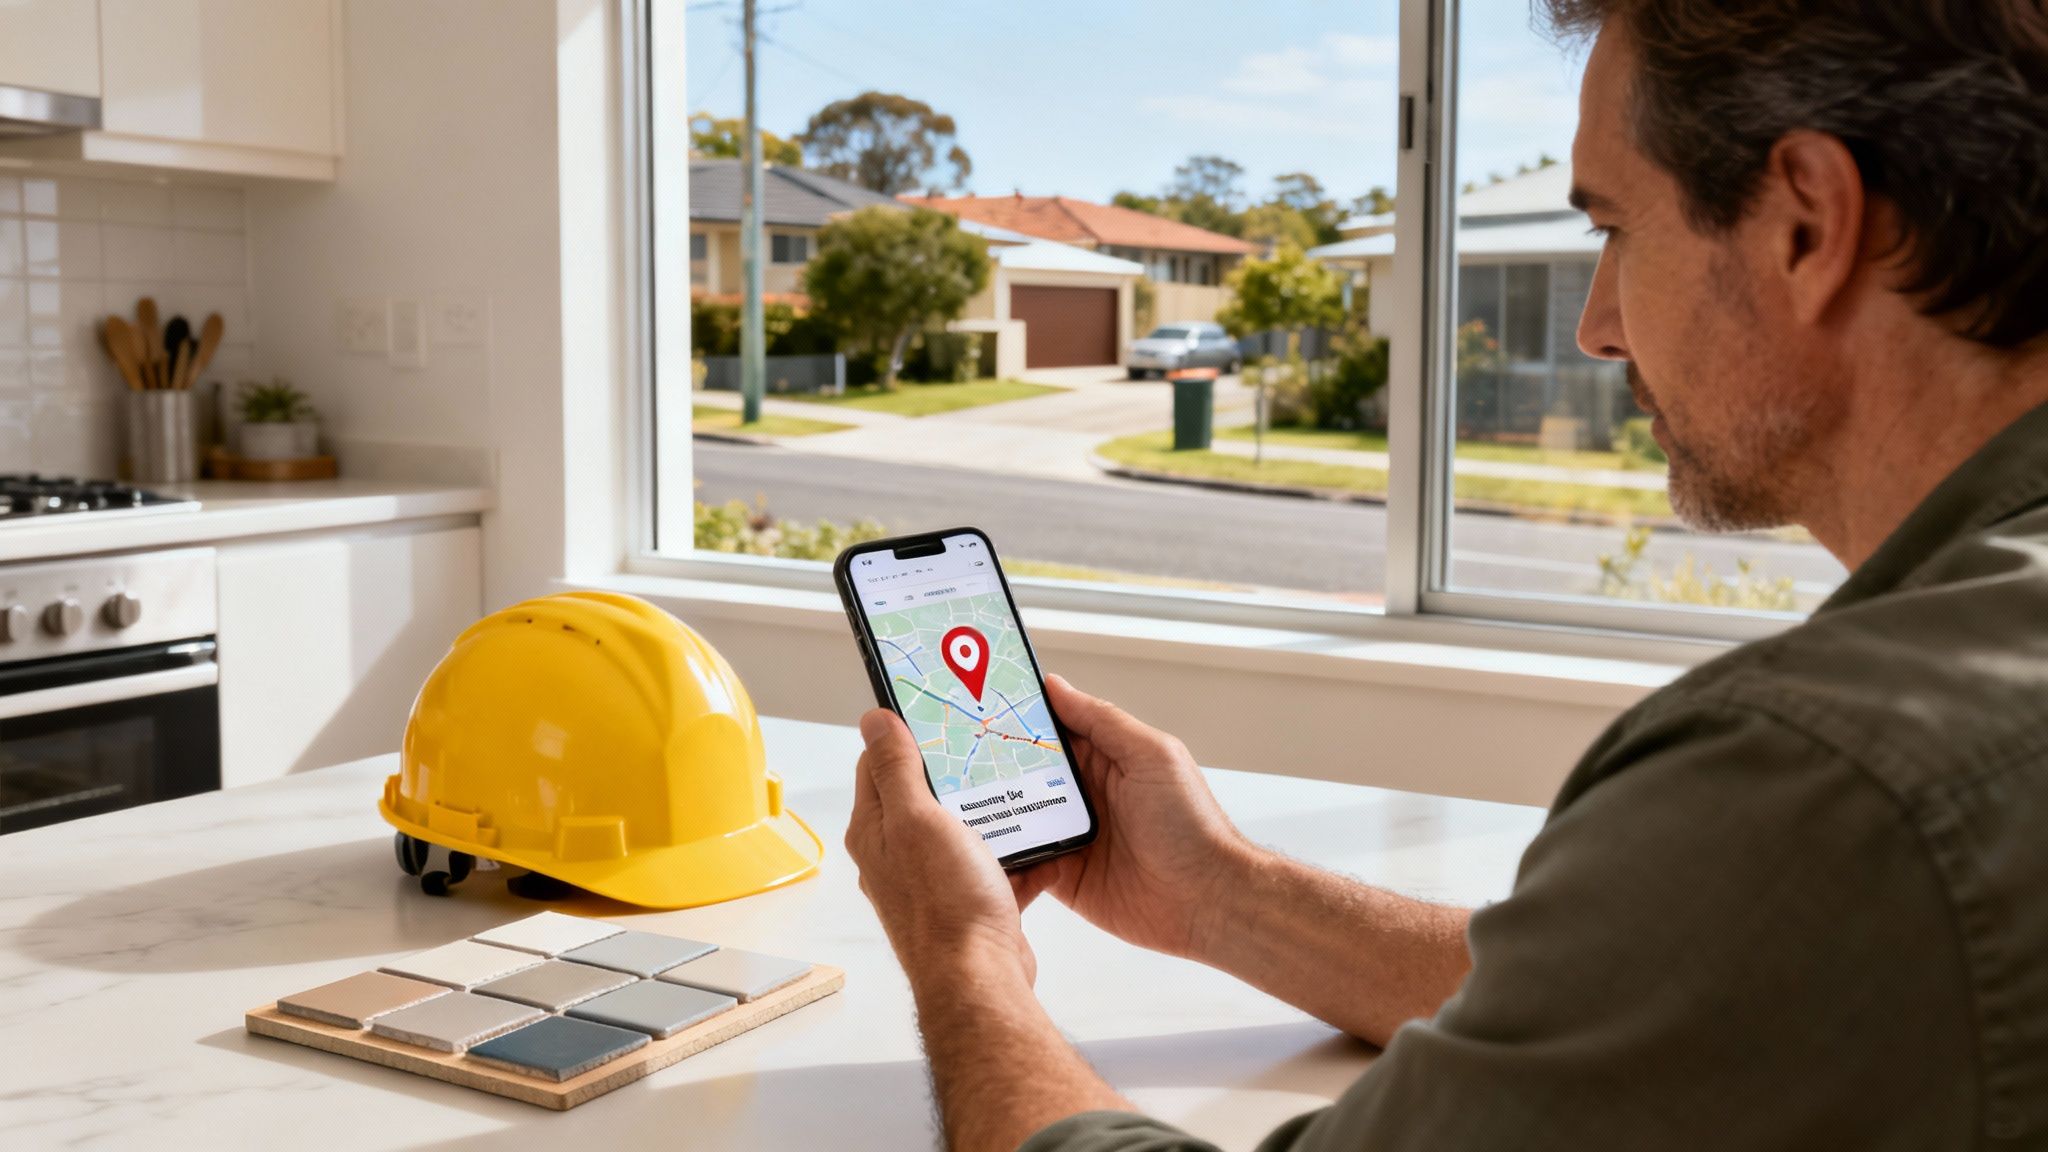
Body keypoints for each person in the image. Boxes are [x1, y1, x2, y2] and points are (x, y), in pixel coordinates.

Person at [844, 1, 2048, 1148]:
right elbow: (1657, 1002)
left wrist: (962, 958)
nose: (1594, 324)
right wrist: (1218, 893)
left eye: (1613, 229)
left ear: (1805, 224)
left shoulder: (1825, 778)